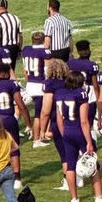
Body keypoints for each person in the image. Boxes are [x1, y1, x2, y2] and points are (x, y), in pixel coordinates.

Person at [54, 72, 102, 202]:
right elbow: (84, 121)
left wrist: (64, 134)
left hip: (67, 131)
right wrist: (89, 141)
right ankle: (98, 197)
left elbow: (59, 120)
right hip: (79, 131)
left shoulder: (60, 94)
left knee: (70, 166)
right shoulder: (81, 94)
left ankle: (74, 199)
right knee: (92, 163)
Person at [38, 59, 71, 191]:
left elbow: (45, 111)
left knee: (65, 155)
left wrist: (42, 131)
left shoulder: (50, 84)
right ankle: (77, 177)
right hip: (74, 120)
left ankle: (68, 181)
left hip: (58, 122)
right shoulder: (70, 82)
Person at [19, 32, 50, 148]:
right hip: (40, 86)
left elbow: (25, 70)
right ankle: (37, 140)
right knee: (38, 114)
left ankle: (42, 134)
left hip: (30, 84)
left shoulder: (26, 50)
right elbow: (47, 72)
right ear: (43, 40)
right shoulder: (45, 52)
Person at [0, 0, 22, 66]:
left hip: (3, 48)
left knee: (2, 71)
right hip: (14, 48)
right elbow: (20, 36)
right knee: (11, 70)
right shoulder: (16, 18)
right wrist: (19, 50)